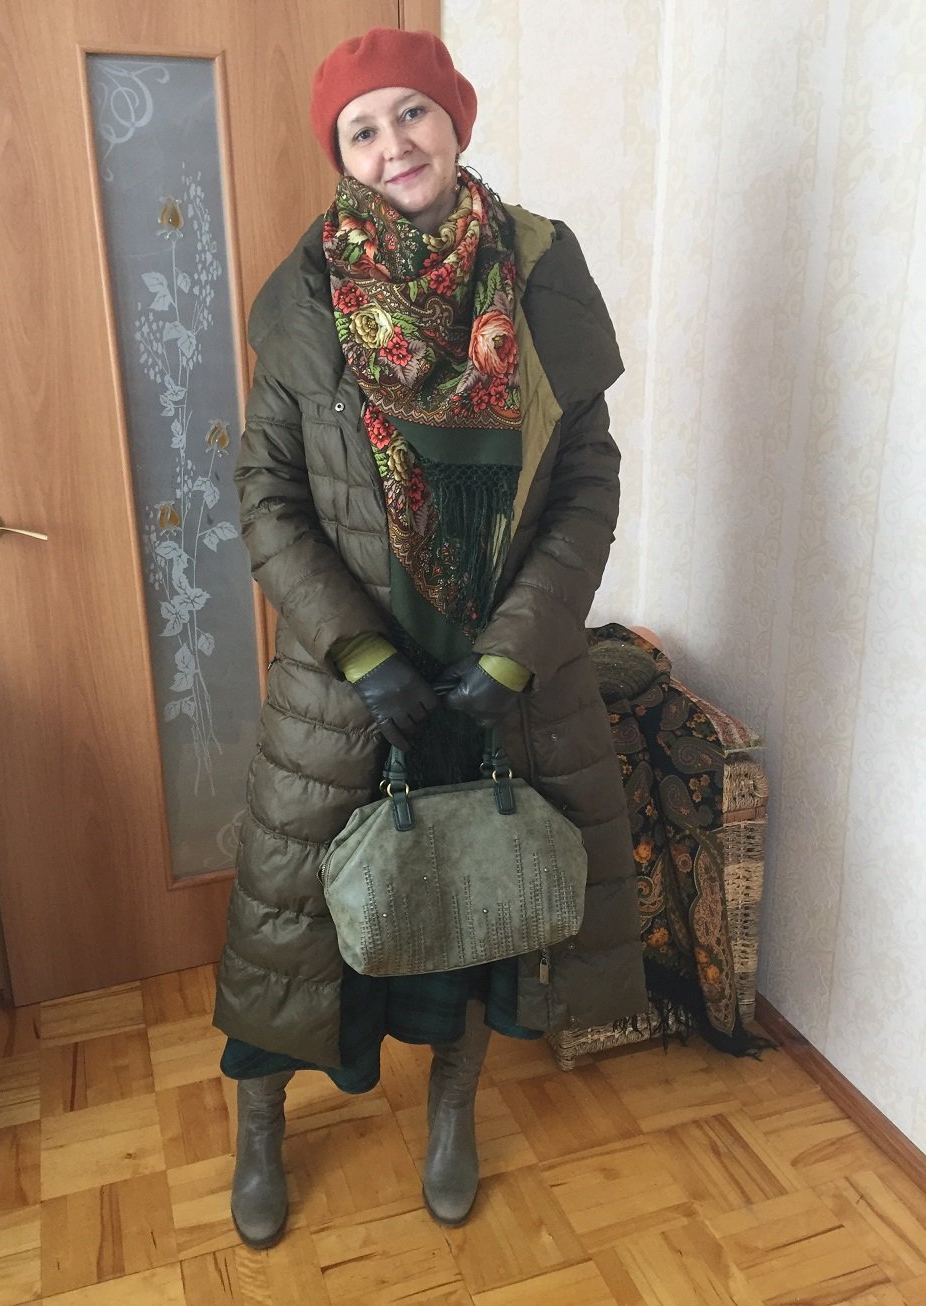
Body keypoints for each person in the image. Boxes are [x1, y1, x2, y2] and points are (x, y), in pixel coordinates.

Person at [212, 26, 646, 1249]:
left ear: (454, 121)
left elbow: (586, 484)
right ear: (340, 154)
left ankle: (451, 1114)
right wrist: (359, 655)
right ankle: (260, 1123)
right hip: (348, 685)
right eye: (362, 127)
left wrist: (510, 651)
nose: (392, 143)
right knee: (291, 930)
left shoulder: (541, 272)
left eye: (412, 112)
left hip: (500, 678)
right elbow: (267, 498)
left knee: (475, 906)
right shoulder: (304, 299)